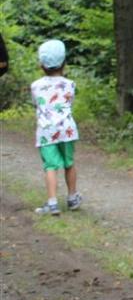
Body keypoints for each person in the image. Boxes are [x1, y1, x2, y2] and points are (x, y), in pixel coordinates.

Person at [31, 39, 81, 216]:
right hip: (67, 129)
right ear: (64, 62)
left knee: (50, 166)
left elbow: (36, 104)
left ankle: (52, 203)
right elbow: (69, 102)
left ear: (41, 64)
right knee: (69, 163)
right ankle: (72, 198)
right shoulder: (70, 84)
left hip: (46, 131)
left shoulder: (35, 86)